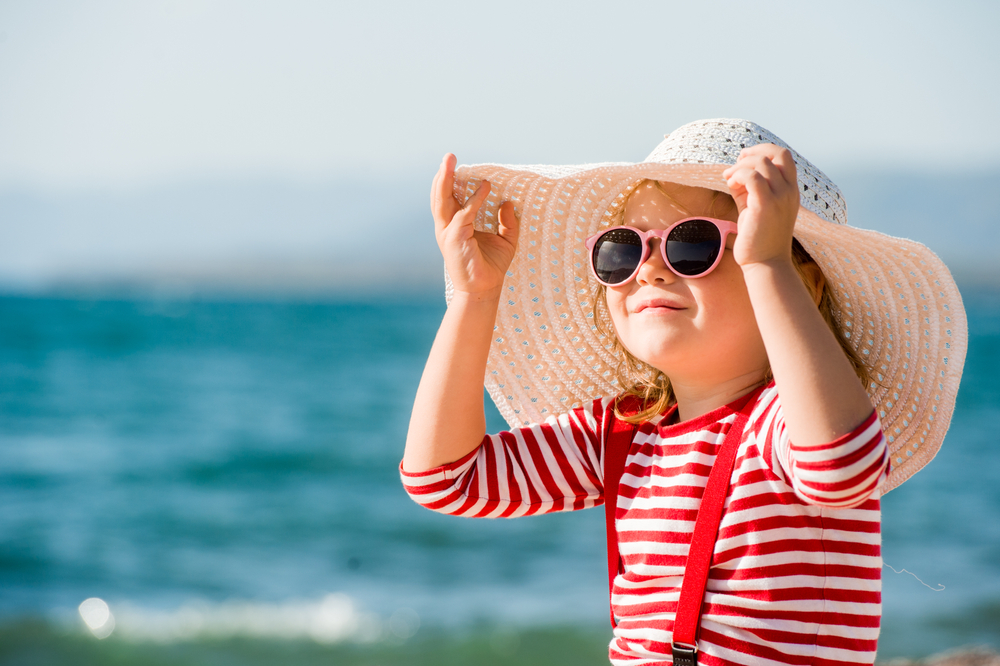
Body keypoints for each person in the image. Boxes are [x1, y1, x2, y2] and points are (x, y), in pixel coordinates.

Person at [400, 119, 967, 665]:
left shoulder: (784, 425)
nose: (648, 271)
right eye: (624, 251)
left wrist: (767, 262)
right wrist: (472, 301)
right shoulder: (621, 433)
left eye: (692, 246)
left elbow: (843, 467)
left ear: (805, 288)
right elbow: (447, 479)